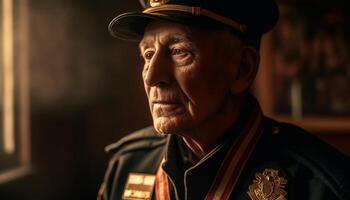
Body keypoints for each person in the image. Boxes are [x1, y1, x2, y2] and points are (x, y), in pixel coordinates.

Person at [98, 0, 350, 199]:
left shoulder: (318, 185)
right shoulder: (128, 165)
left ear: (242, 69)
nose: (152, 76)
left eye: (179, 52)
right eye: (148, 54)